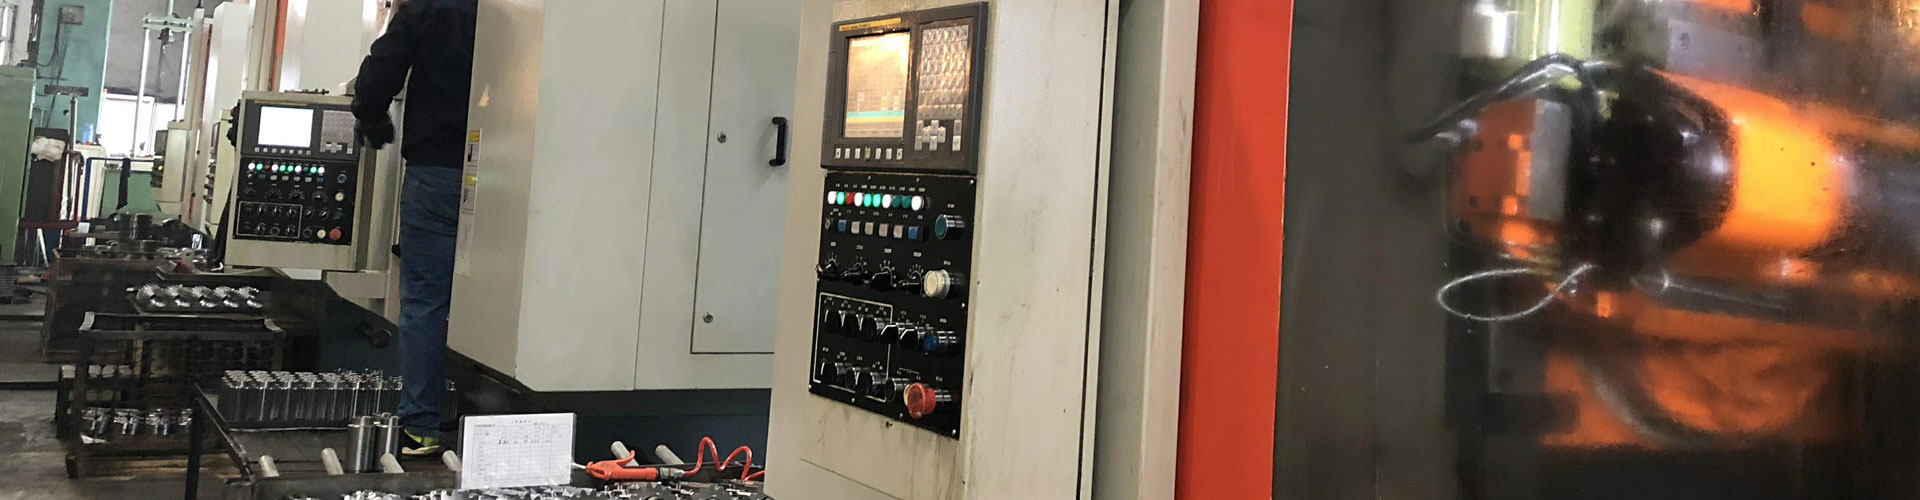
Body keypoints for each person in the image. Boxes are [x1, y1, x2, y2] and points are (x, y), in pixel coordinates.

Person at [351, 0, 477, 456]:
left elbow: (378, 73)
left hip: (438, 171)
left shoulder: (425, 6)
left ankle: (422, 425)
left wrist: (371, 116)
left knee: (426, 302)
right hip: (513, 171)